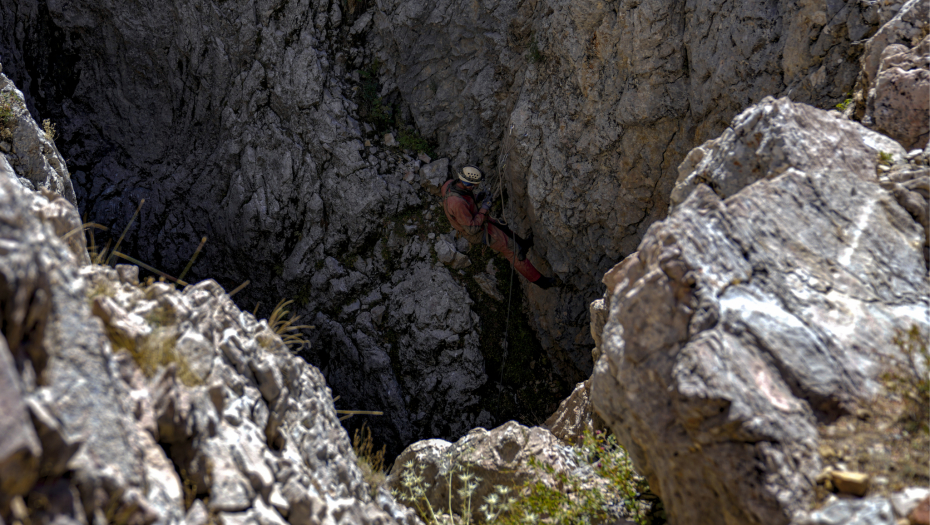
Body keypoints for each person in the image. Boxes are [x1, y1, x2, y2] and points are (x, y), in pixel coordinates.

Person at [441, 165, 556, 289]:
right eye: (474, 185)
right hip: (478, 231)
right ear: (467, 183)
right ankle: (543, 282)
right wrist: (484, 208)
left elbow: (465, 202)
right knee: (513, 250)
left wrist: (478, 197)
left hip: (476, 220)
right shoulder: (457, 203)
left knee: (503, 227)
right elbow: (472, 229)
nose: (475, 187)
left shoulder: (451, 185)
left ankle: (524, 245)